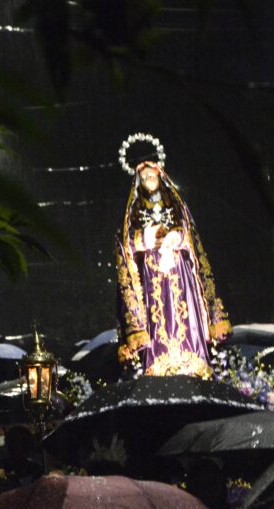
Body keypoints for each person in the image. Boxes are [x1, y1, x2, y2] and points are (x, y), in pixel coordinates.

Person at [114, 137, 231, 378]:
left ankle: (192, 356)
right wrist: (148, 237)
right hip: (151, 271)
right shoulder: (134, 208)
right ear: (139, 181)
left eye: (152, 176)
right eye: (144, 178)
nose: (149, 180)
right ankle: (160, 360)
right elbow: (126, 242)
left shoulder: (174, 203)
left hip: (178, 269)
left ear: (159, 176)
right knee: (159, 314)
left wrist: (175, 237)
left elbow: (189, 233)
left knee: (183, 310)